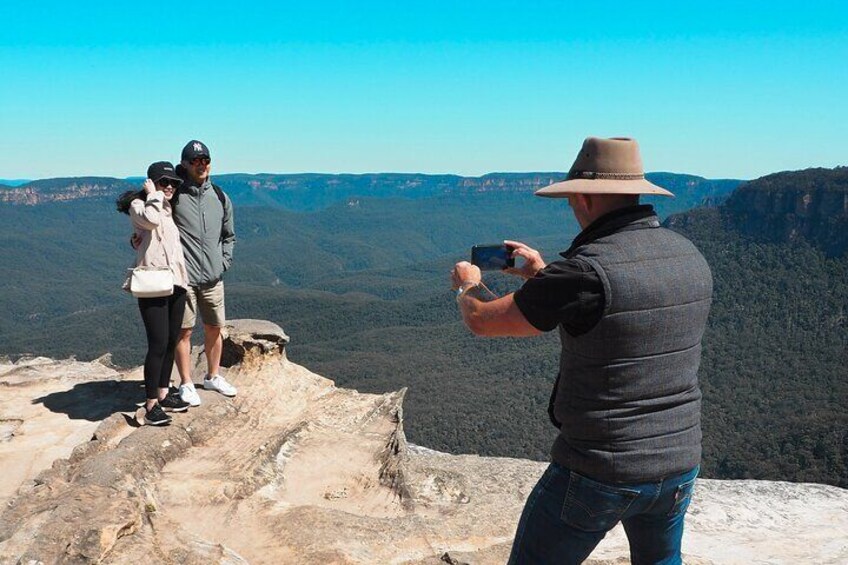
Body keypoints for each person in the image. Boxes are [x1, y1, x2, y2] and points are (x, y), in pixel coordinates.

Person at [450, 137, 713, 564]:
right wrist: (541, 274)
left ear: (587, 197)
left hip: (599, 469)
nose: (571, 206)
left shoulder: (584, 272)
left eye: (572, 196)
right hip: (679, 464)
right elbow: (620, 307)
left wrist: (467, 283)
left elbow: (482, 320)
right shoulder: (689, 255)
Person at [118, 162, 192, 425]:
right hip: (152, 283)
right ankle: (150, 406)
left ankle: (163, 392)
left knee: (172, 340)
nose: (170, 187)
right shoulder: (139, 206)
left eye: (173, 183)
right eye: (164, 182)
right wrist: (153, 195)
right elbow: (149, 222)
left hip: (176, 283)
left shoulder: (167, 207)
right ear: (150, 183)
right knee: (158, 343)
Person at [171, 140, 237, 405]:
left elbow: (229, 235)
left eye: (205, 161)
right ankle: (186, 383)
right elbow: (152, 220)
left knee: (214, 327)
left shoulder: (219, 196)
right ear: (185, 165)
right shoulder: (175, 194)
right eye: (195, 161)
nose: (201, 166)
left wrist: (223, 263)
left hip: (213, 277)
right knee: (183, 332)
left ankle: (213, 376)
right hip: (184, 280)